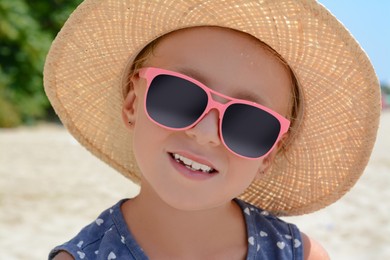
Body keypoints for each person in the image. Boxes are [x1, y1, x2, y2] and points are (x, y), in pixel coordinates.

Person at [44, 0, 380, 259]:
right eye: (179, 96)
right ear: (133, 102)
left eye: (249, 123)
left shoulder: (298, 254)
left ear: (270, 153)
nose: (205, 132)